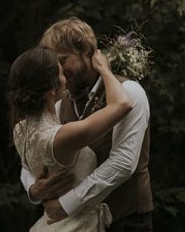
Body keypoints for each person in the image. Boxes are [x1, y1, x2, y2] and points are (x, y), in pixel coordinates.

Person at [22, 18, 153, 232]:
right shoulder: (57, 103)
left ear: (87, 52)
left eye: (62, 61)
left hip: (126, 221)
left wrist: (65, 206)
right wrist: (34, 190)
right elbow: (33, 153)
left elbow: (123, 162)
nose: (58, 73)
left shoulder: (130, 91)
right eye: (52, 66)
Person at [8, 45, 133, 231]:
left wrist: (34, 191)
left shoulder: (20, 130)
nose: (66, 80)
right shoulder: (62, 137)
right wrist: (104, 69)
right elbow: (123, 104)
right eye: (61, 74)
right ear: (52, 89)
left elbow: (28, 169)